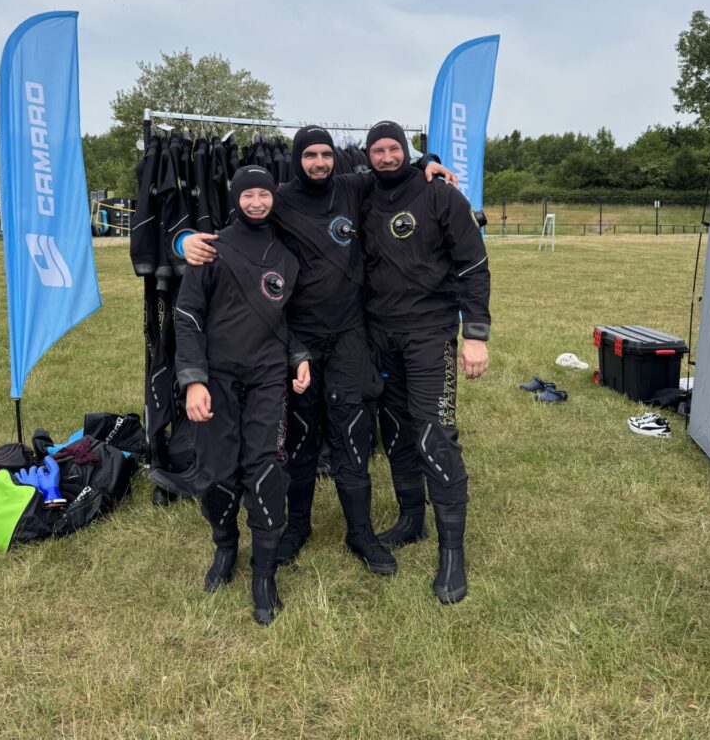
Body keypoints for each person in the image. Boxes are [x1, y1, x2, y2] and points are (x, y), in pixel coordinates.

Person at [183, 127, 457, 579]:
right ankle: (297, 527)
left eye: (325, 154)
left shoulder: (353, 185)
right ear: (296, 159)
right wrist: (185, 242)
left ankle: (360, 532)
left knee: (352, 435)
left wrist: (428, 158)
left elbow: (395, 169)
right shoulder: (280, 199)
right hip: (298, 343)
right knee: (300, 442)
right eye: (309, 154)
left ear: (335, 158)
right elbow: (239, 232)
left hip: (350, 336)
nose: (319, 162)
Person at [174, 166, 311, 626]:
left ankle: (264, 573)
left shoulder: (286, 258)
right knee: (215, 472)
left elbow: (286, 320)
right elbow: (188, 316)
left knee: (268, 468)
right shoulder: (210, 249)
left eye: (264, 194)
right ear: (236, 198)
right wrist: (193, 379)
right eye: (248, 194)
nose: (256, 202)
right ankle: (225, 546)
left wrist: (299, 358)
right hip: (217, 380)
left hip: (269, 378)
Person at [361, 120, 490, 605]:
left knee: (433, 431)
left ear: (407, 150)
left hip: (430, 332)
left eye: (396, 149)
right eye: (379, 150)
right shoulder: (363, 195)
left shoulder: (441, 195)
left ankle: (451, 549)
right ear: (368, 155)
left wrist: (474, 335)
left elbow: (474, 266)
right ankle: (411, 519)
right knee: (394, 429)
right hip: (379, 334)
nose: (387, 157)